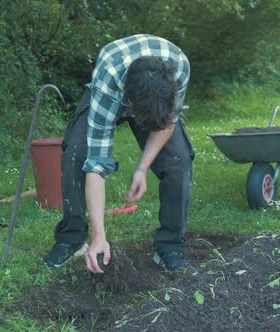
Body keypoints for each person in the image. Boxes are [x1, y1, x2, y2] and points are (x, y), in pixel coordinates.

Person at [43, 34, 193, 274]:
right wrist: (99, 236)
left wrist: (142, 168)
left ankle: (170, 247)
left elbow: (168, 123)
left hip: (150, 95)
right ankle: (73, 239)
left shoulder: (179, 69)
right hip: (110, 87)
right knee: (76, 155)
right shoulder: (110, 81)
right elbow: (96, 165)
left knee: (179, 160)